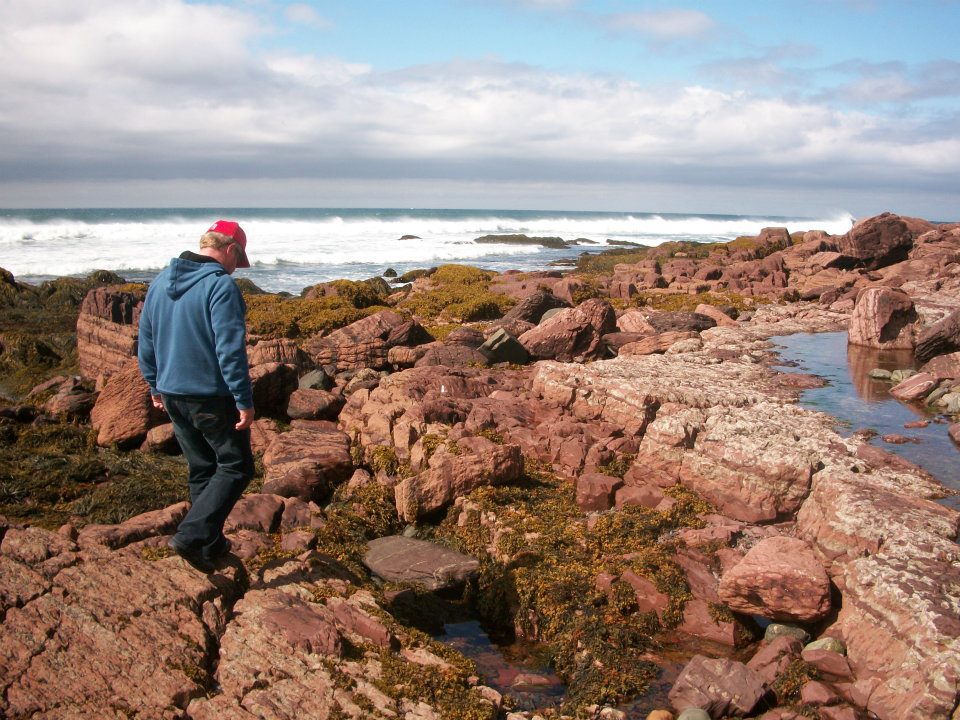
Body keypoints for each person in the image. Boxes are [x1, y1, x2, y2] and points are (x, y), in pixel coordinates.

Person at [137, 220, 255, 573]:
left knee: (202, 467)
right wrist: (243, 399)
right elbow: (229, 350)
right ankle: (191, 535)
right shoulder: (220, 286)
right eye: (238, 260)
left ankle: (209, 543)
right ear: (230, 249)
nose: (236, 269)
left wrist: (154, 384)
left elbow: (146, 340)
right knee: (236, 466)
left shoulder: (159, 282)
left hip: (172, 392)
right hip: (209, 395)